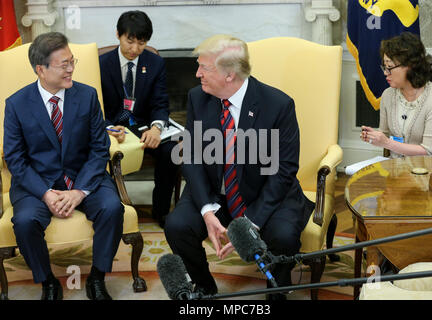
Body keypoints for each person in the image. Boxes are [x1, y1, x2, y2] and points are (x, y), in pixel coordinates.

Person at [164, 35, 315, 300]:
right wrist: (207, 210)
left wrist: (250, 222)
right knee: (177, 225)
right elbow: (191, 156)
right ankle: (205, 287)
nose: (197, 73)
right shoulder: (198, 98)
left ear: (229, 75)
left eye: (204, 68)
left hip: (266, 193)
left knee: (283, 236)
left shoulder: (278, 105)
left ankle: (276, 291)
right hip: (217, 193)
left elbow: (284, 171)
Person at [3, 32, 124, 300]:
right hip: (38, 183)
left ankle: (97, 277)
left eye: (72, 61)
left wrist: (79, 191)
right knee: (24, 221)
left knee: (112, 207)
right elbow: (15, 159)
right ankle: (47, 281)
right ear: (41, 70)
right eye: (63, 64)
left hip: (83, 177)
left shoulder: (88, 96)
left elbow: (99, 148)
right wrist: (46, 194)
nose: (71, 69)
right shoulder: (16, 104)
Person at [99, 10, 179, 227]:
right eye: (130, 41)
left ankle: (161, 211)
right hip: (114, 127)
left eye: (141, 43)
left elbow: (160, 102)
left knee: (172, 151)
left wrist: (155, 128)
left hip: (142, 125)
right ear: (118, 35)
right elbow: (94, 107)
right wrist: (109, 127)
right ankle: (111, 211)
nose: (135, 49)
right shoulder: (100, 64)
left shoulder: (154, 63)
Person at [361, 32, 432, 158]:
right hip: (397, 168)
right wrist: (373, 137)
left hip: (431, 169)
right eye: (384, 67)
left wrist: (387, 142)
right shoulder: (388, 95)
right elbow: (385, 135)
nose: (386, 73)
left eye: (390, 67)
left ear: (410, 66)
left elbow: (428, 151)